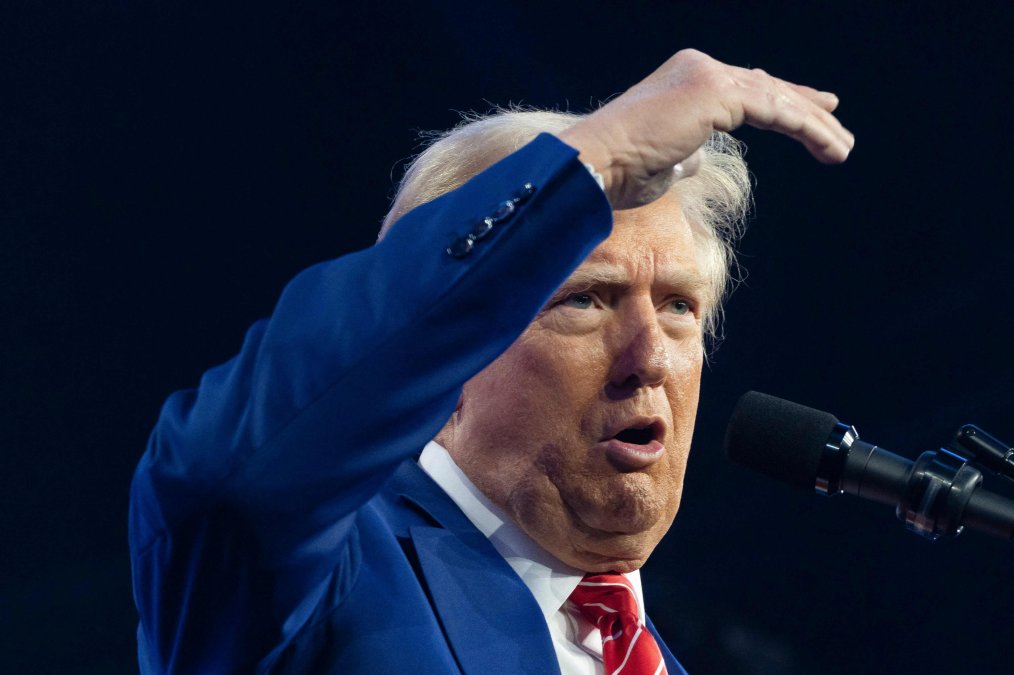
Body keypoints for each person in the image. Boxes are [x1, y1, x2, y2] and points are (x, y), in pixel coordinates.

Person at [129, 49, 854, 674]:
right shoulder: (331, 583)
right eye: (588, 300)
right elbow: (227, 479)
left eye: (677, 307)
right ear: (450, 345)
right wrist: (595, 160)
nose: (649, 357)